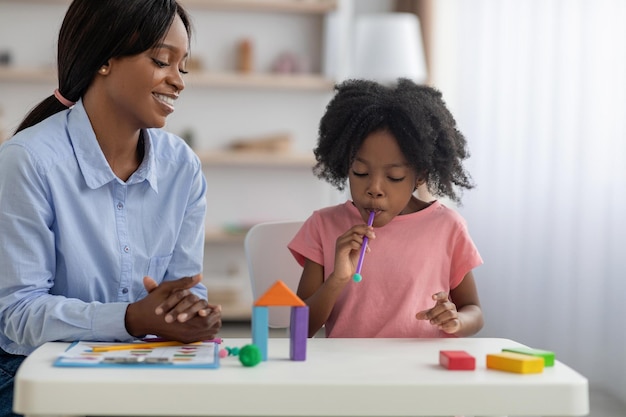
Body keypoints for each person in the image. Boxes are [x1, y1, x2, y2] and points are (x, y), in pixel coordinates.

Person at [0, 1, 222, 415]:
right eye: (161, 60)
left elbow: (183, 289)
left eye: (183, 66)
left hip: (137, 368)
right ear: (104, 59)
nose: (178, 82)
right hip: (32, 373)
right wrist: (132, 318)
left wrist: (192, 314)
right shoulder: (28, 161)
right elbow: (17, 317)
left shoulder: (182, 167)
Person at [288, 78, 484, 338]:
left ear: (420, 175)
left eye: (394, 177)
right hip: (349, 373)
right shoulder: (323, 225)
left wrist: (456, 320)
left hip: (421, 373)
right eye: (360, 172)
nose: (374, 188)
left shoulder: (447, 227)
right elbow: (299, 330)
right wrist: (337, 279)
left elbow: (474, 311)